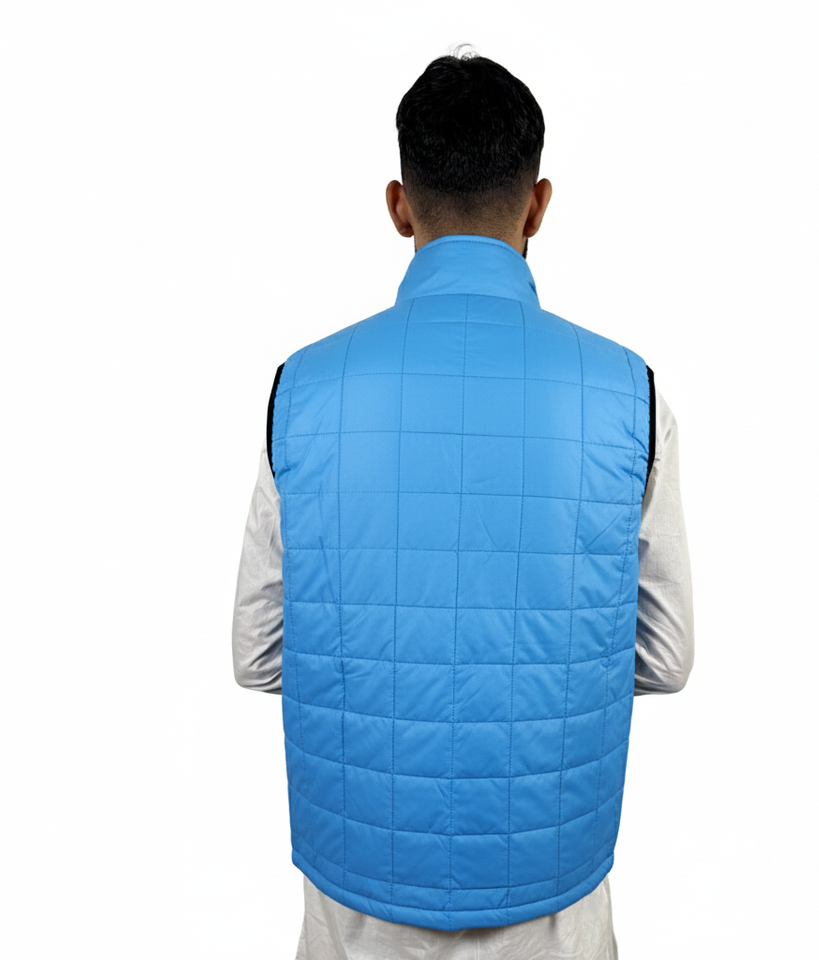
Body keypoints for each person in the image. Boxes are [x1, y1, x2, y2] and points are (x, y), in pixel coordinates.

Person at [232, 46, 694, 960]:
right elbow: (667, 657)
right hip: (553, 914)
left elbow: (257, 654)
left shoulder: (303, 387)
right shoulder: (630, 393)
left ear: (399, 205)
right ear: (539, 204)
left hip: (356, 914)